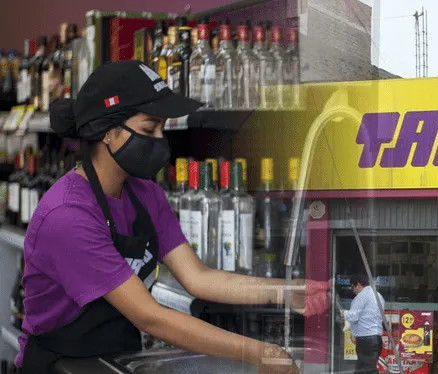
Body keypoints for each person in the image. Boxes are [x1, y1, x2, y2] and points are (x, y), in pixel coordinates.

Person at [16, 60, 328, 373]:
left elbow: (199, 278)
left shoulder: (145, 194)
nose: (160, 140)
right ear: (107, 132)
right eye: (148, 129)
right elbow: (150, 317)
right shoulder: (68, 215)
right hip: (59, 366)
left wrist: (284, 291)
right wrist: (259, 352)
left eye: (162, 128)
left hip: (115, 361)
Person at [340, 274, 384, 374]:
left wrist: (344, 313)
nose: (352, 290)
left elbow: (354, 316)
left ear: (358, 285)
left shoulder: (361, 296)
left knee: (369, 369)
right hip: (376, 339)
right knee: (361, 369)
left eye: (352, 286)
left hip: (366, 341)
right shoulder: (379, 296)